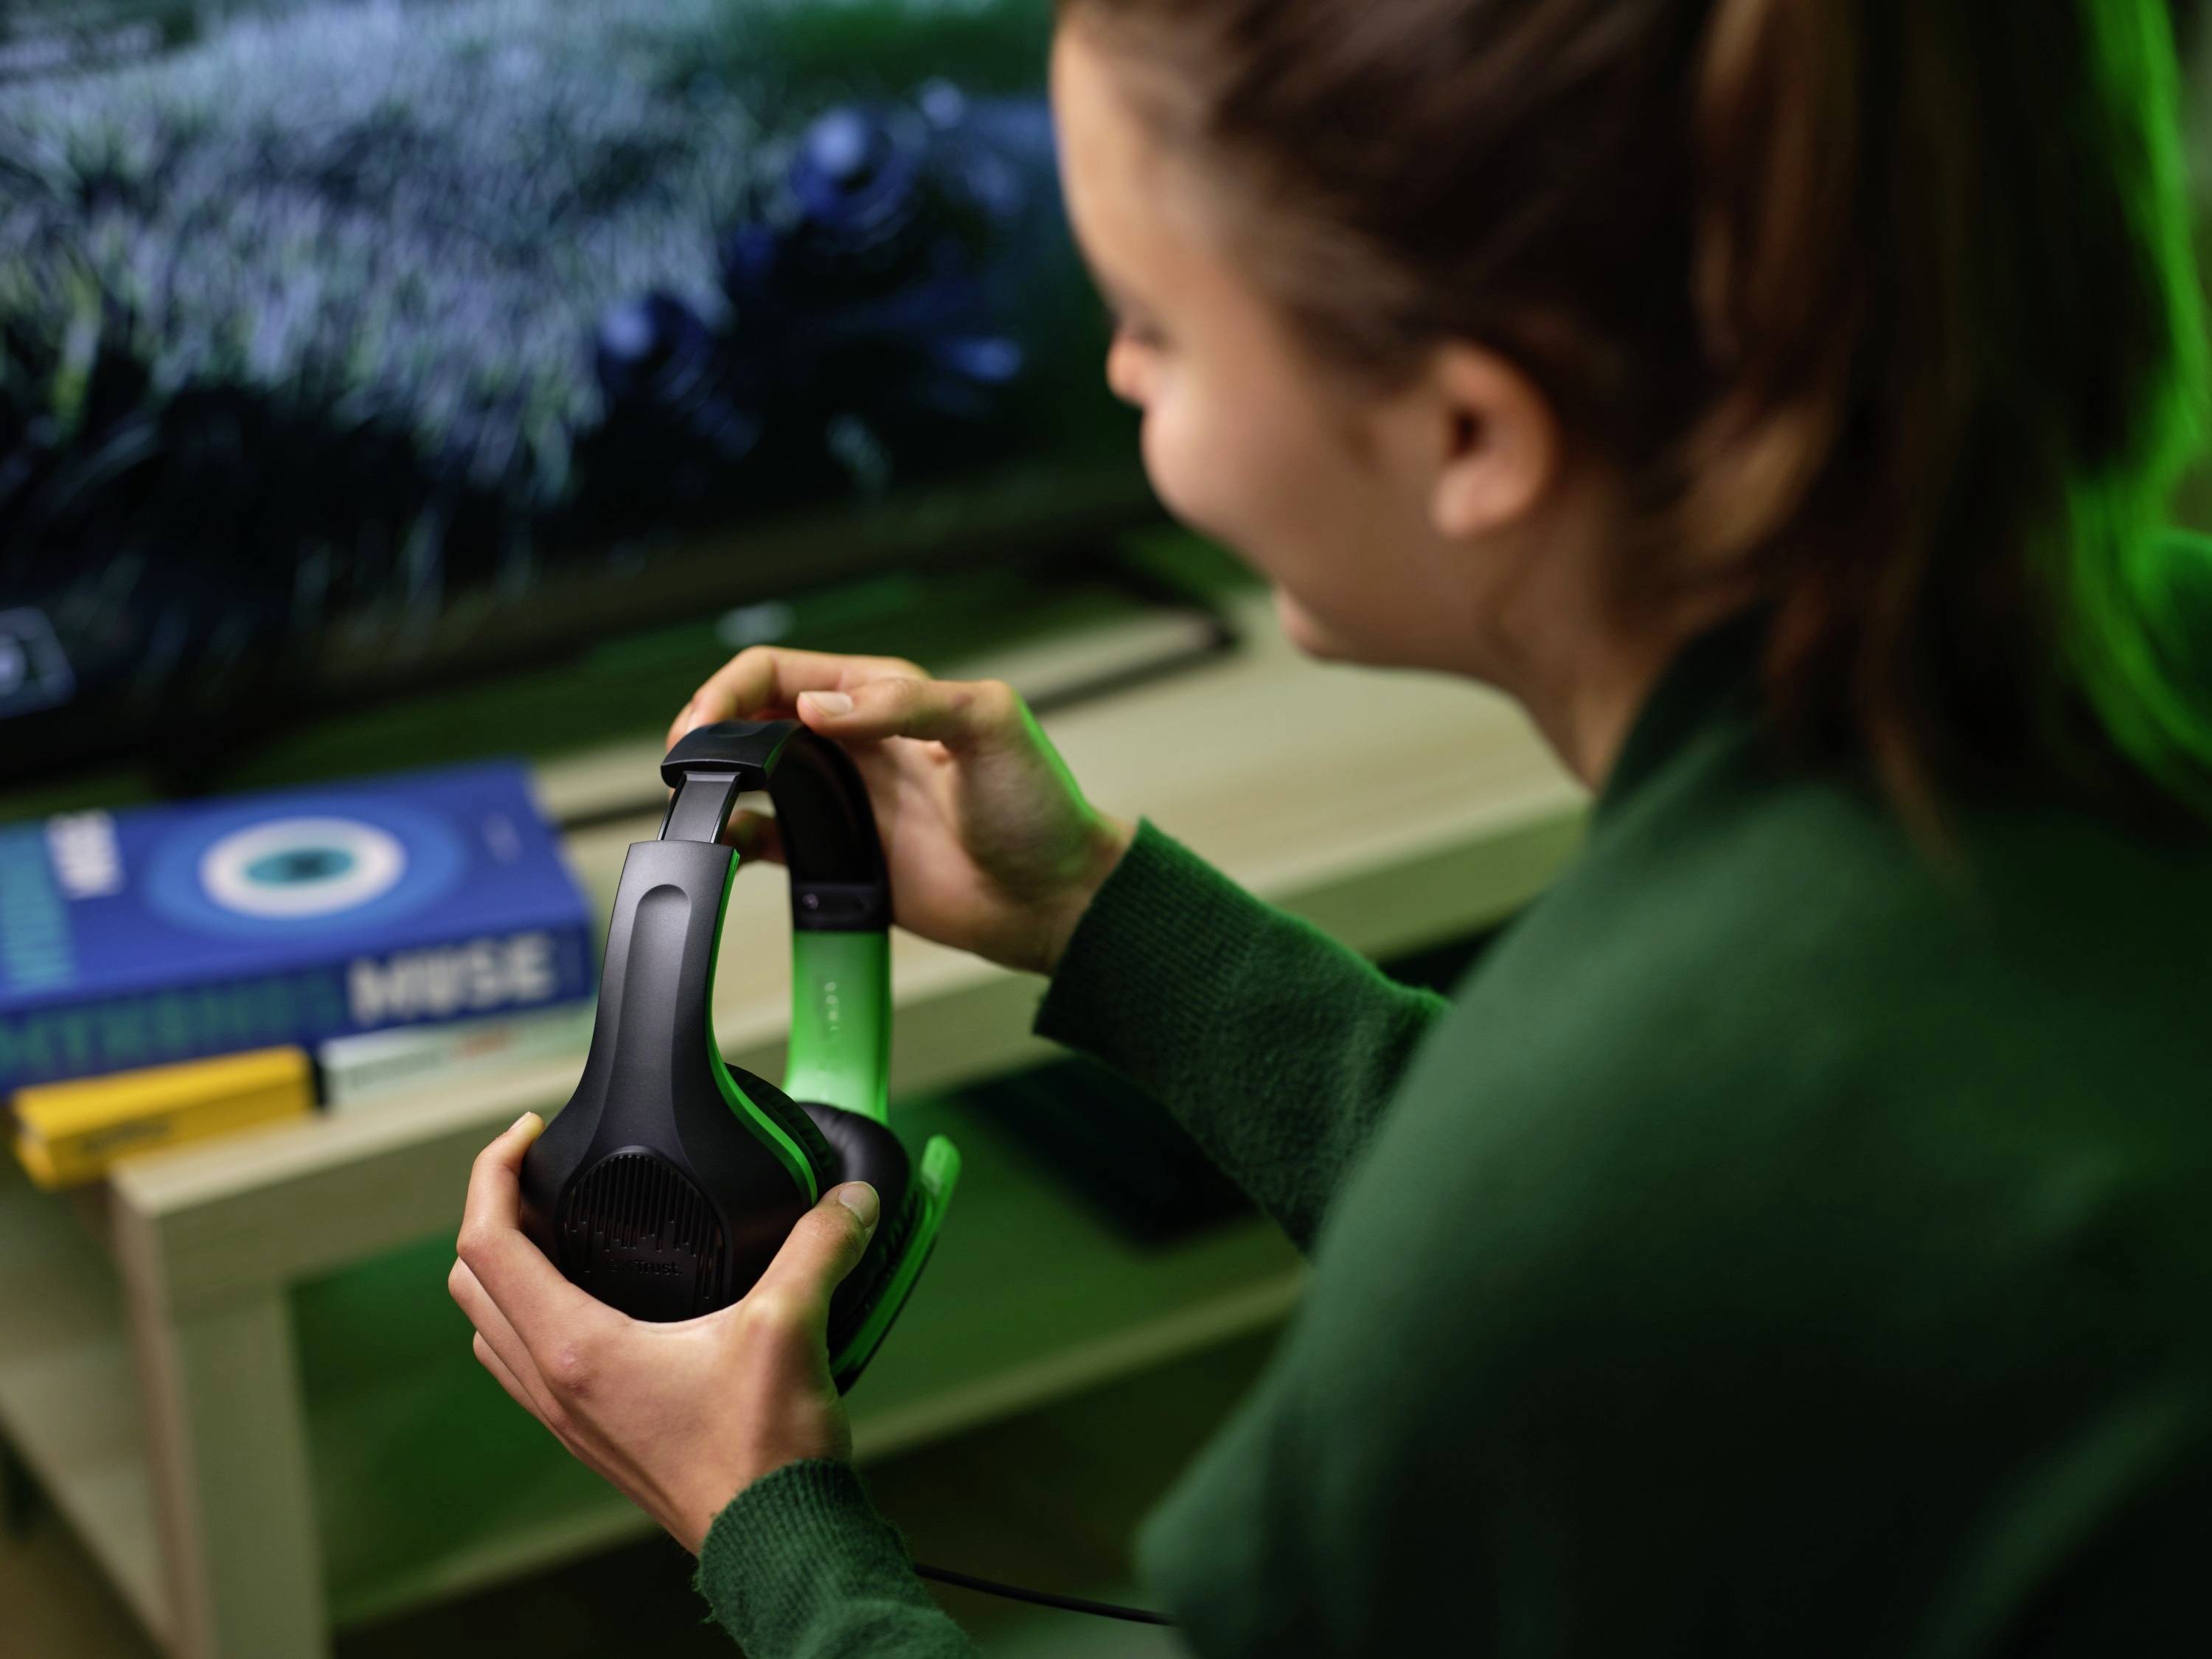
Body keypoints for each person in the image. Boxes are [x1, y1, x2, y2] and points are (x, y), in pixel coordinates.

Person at [448, 1, 2212, 1651]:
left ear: (1468, 429)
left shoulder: (1538, 1262)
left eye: (1153, 322)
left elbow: (1599, 1218)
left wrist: (765, 1523)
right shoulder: (2146, 664)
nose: (1125, 381)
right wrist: (1103, 912)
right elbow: (1733, 1207)